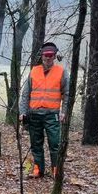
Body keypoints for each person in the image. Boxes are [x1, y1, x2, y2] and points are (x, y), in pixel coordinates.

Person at [19, 41, 70, 178]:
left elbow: (67, 94)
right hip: (34, 114)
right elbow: (25, 93)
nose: (47, 58)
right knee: (36, 144)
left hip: (52, 114)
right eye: (45, 55)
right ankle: (38, 169)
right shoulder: (34, 71)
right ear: (41, 56)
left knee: (55, 143)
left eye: (50, 55)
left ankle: (56, 169)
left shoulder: (61, 72)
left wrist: (63, 111)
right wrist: (23, 112)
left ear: (54, 56)